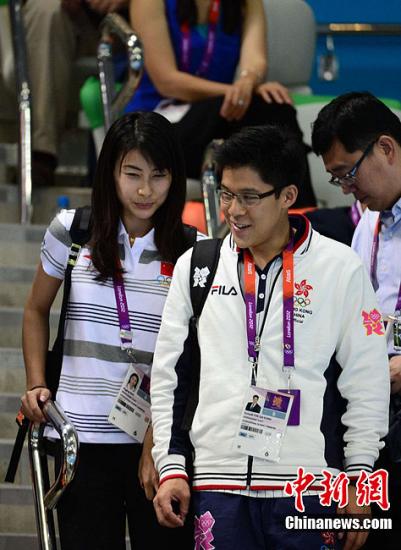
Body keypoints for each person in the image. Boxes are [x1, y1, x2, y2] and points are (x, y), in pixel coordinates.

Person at [150, 124, 390, 549]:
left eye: (250, 197)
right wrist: (171, 466)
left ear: (288, 196)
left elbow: (367, 381)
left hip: (309, 488)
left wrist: (358, 476)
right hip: (218, 484)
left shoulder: (340, 268)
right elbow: (170, 375)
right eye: (227, 194)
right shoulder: (198, 266)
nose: (234, 210)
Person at [20, 111, 197, 549]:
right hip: (79, 437)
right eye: (132, 174)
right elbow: (36, 310)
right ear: (110, 173)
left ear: (175, 179)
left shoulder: (193, 250)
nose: (145, 190)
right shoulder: (72, 232)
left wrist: (161, 438)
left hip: (158, 441)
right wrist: (37, 383)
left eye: (158, 176)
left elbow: (194, 354)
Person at [311, 91, 401, 549]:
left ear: (386, 148)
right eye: (337, 178)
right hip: (376, 406)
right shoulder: (370, 223)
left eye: (349, 173)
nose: (347, 189)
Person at [127, 0, 316, 207]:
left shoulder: (247, 3)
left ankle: (301, 216)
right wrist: (239, 92)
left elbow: (254, 61)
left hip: (220, 120)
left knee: (274, 107)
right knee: (258, 108)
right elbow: (167, 81)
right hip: (160, 125)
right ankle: (304, 211)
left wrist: (248, 82)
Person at [0, 0, 128, 186]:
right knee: (43, 9)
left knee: (47, 10)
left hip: (119, 24)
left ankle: (41, 153)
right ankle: (36, 152)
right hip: (47, 19)